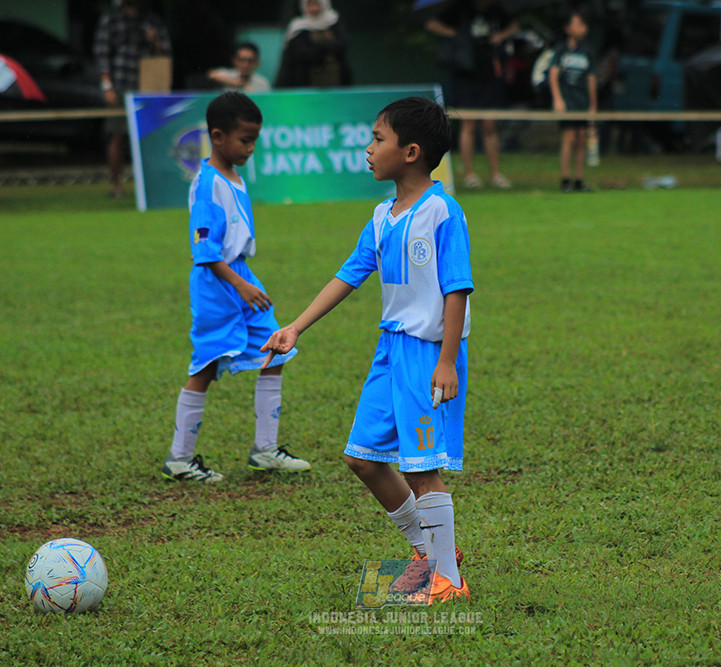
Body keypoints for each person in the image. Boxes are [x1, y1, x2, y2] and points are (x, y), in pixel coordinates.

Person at [261, 97, 472, 603]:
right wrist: (296, 327)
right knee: (363, 458)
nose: (369, 148)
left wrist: (446, 361)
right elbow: (348, 275)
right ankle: (429, 551)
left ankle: (449, 582)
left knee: (422, 469)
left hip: (426, 354)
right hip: (390, 352)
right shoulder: (381, 216)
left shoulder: (443, 211)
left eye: (379, 139)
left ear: (412, 152)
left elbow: (457, 290)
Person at [162, 91, 311, 483]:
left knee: (275, 352)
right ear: (217, 136)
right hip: (218, 283)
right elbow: (205, 250)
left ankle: (265, 450)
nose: (250, 148)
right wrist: (241, 286)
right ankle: (179, 459)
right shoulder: (207, 183)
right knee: (207, 365)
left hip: (242, 277)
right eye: (245, 140)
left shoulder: (235, 177)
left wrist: (246, 282)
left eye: (254, 140)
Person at [426, 0, 518, 189]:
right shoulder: (459, 9)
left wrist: (500, 36)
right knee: (468, 125)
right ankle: (470, 174)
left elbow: (515, 26)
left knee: (490, 125)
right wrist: (456, 35)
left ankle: (495, 174)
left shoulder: (496, 10)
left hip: (490, 76)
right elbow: (431, 24)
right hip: (465, 76)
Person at [93, 0, 172, 199]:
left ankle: (150, 185)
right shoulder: (110, 19)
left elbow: (166, 52)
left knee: (150, 136)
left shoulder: (152, 19)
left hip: (147, 84)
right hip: (119, 83)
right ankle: (117, 186)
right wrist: (107, 85)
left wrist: (153, 40)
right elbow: (101, 53)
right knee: (116, 134)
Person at [549, 10, 597, 193]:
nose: (583, 29)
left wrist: (593, 105)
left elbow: (591, 80)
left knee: (581, 139)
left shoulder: (588, 51)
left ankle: (578, 180)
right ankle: (565, 180)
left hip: (582, 101)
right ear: (568, 28)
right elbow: (553, 76)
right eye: (578, 24)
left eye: (584, 25)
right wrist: (558, 100)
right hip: (567, 101)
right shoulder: (561, 50)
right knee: (568, 138)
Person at [275, 0, 352, 88]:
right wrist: (324, 50)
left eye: (317, 4)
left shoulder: (335, 21)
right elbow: (301, 52)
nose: (314, 9)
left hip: (336, 77)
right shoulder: (297, 26)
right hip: (305, 80)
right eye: (310, 5)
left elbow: (342, 43)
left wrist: (321, 49)